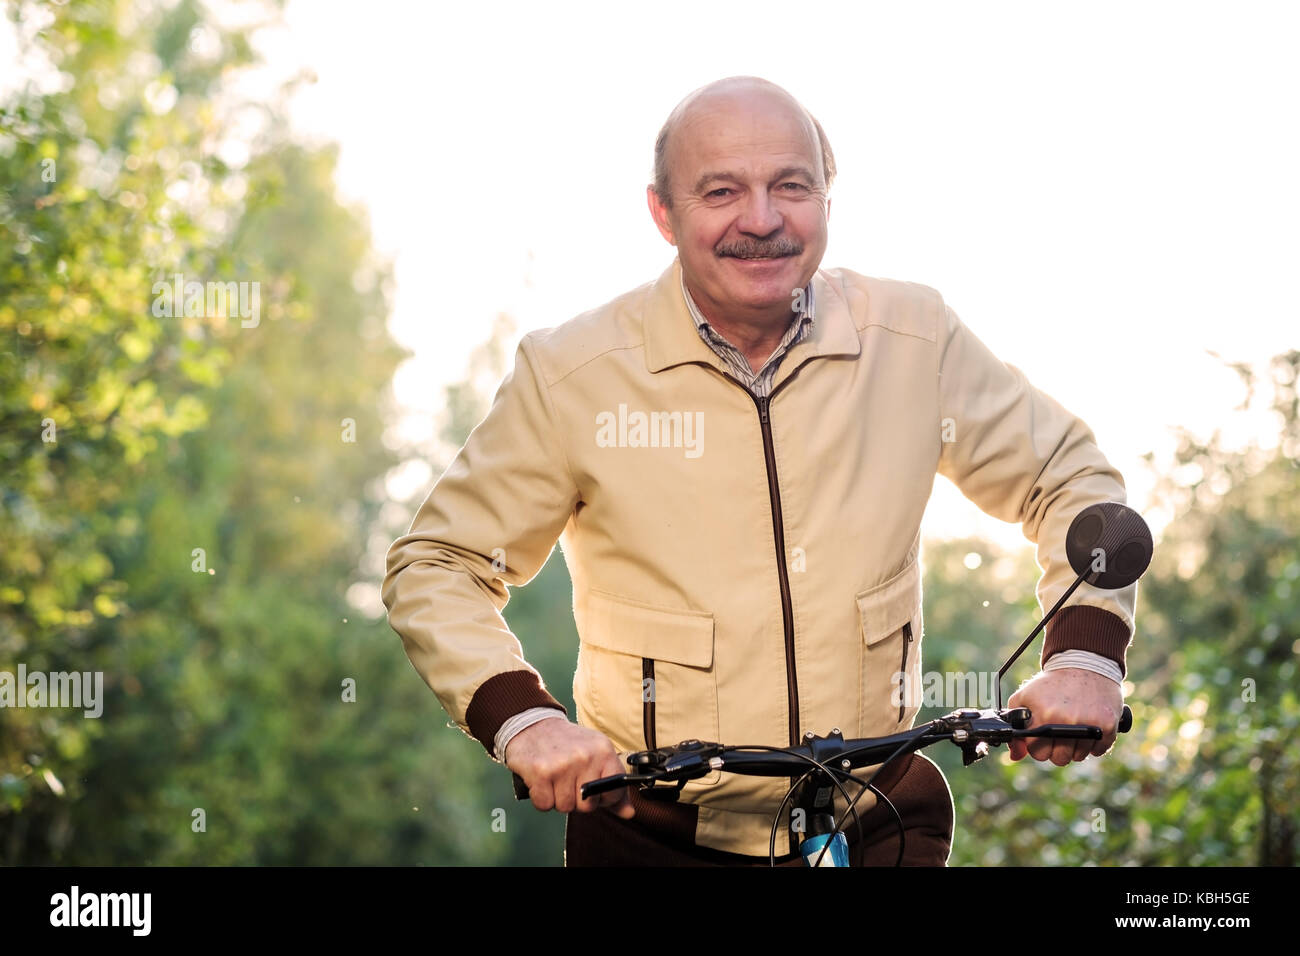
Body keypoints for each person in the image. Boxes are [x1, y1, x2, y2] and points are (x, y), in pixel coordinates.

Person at [382, 76, 1137, 866]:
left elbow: (1071, 478)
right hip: (650, 836)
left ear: (827, 199)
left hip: (876, 818)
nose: (763, 219)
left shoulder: (917, 338)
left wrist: (1085, 655)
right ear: (662, 215)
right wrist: (524, 719)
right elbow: (438, 564)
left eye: (792, 186)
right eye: (721, 191)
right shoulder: (570, 373)